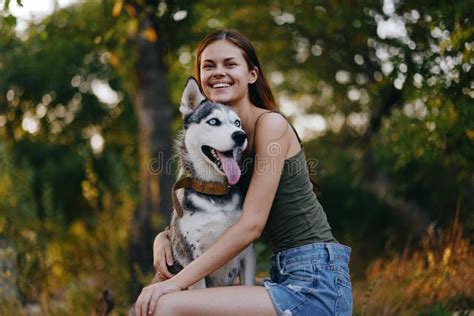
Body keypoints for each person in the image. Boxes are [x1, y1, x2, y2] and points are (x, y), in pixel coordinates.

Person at [134, 29, 352, 316]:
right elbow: (196, 214)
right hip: (283, 274)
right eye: (208, 66)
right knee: (149, 303)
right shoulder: (214, 142)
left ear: (252, 75)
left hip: (315, 280)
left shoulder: (270, 126)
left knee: (165, 304)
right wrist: (161, 238)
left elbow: (251, 225)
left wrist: (175, 283)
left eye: (230, 64)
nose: (218, 72)